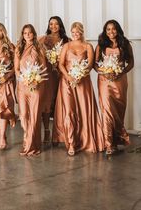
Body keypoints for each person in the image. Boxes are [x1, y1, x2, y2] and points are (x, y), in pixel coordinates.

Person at [53, 22, 104, 156]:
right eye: (73, 32)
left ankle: (85, 140)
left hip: (83, 82)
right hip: (67, 82)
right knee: (69, 111)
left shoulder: (88, 46)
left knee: (83, 110)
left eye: (78, 32)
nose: (76, 34)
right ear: (71, 32)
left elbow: (90, 65)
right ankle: (71, 143)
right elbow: (61, 64)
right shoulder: (66, 46)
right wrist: (69, 77)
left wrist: (81, 74)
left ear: (82, 32)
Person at [94, 20, 134, 155]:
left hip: (120, 81)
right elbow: (95, 64)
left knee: (118, 111)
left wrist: (120, 72)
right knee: (106, 111)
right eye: (108, 29)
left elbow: (131, 63)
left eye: (113, 29)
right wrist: (105, 72)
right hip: (105, 81)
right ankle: (108, 144)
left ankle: (116, 141)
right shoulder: (101, 44)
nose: (111, 32)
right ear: (105, 31)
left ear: (118, 30)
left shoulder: (125, 43)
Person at [14, 24, 46, 156]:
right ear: (23, 34)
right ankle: (28, 141)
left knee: (34, 115)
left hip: (36, 85)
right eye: (25, 33)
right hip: (23, 85)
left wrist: (35, 80)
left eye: (30, 32)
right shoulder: (18, 49)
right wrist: (23, 79)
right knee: (23, 115)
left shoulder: (39, 48)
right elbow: (16, 69)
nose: (27, 35)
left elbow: (43, 67)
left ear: (33, 34)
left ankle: (32, 145)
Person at [39, 16, 69, 143]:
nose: (53, 26)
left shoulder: (67, 40)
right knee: (47, 103)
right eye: (51, 24)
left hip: (62, 75)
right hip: (48, 75)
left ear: (60, 25)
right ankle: (46, 130)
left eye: (56, 24)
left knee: (61, 103)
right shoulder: (43, 39)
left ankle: (60, 133)